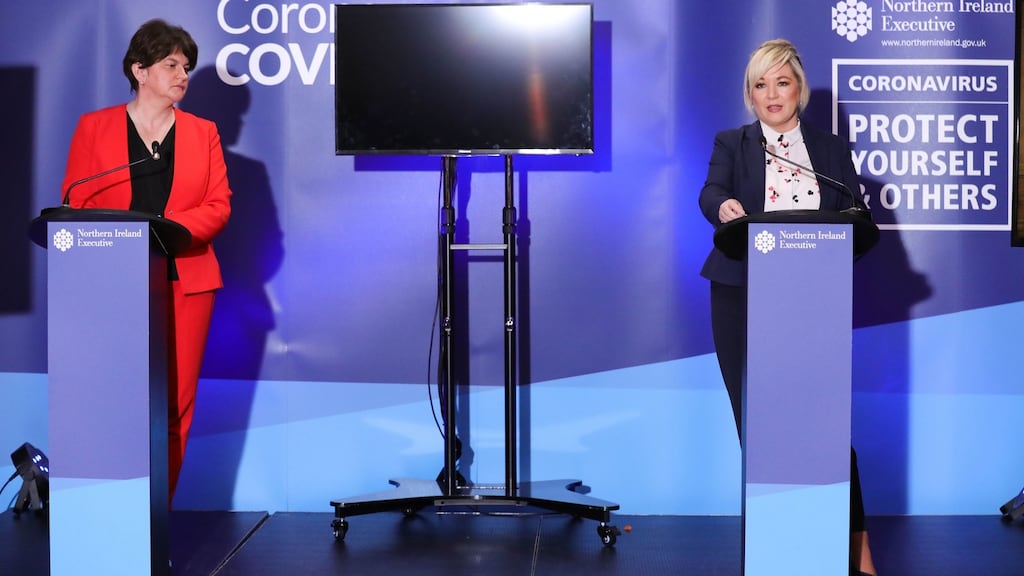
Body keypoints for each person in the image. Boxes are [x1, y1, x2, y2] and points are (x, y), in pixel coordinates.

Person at [698, 39, 877, 576]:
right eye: (760, 84)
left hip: (812, 301)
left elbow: (857, 214)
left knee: (825, 430)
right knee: (758, 425)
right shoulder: (732, 142)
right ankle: (776, 551)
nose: (772, 94)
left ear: (799, 88)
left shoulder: (828, 149)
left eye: (782, 82)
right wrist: (726, 207)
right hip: (741, 296)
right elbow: (711, 192)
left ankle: (858, 554)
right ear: (749, 96)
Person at [61, 19, 232, 506]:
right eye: (171, 64)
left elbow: (218, 206)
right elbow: (75, 201)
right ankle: (108, 509)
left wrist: (169, 228)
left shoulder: (203, 133)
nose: (183, 75)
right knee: (113, 400)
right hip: (113, 283)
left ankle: (156, 516)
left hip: (184, 281)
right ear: (140, 70)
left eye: (186, 67)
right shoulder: (94, 127)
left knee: (174, 405)